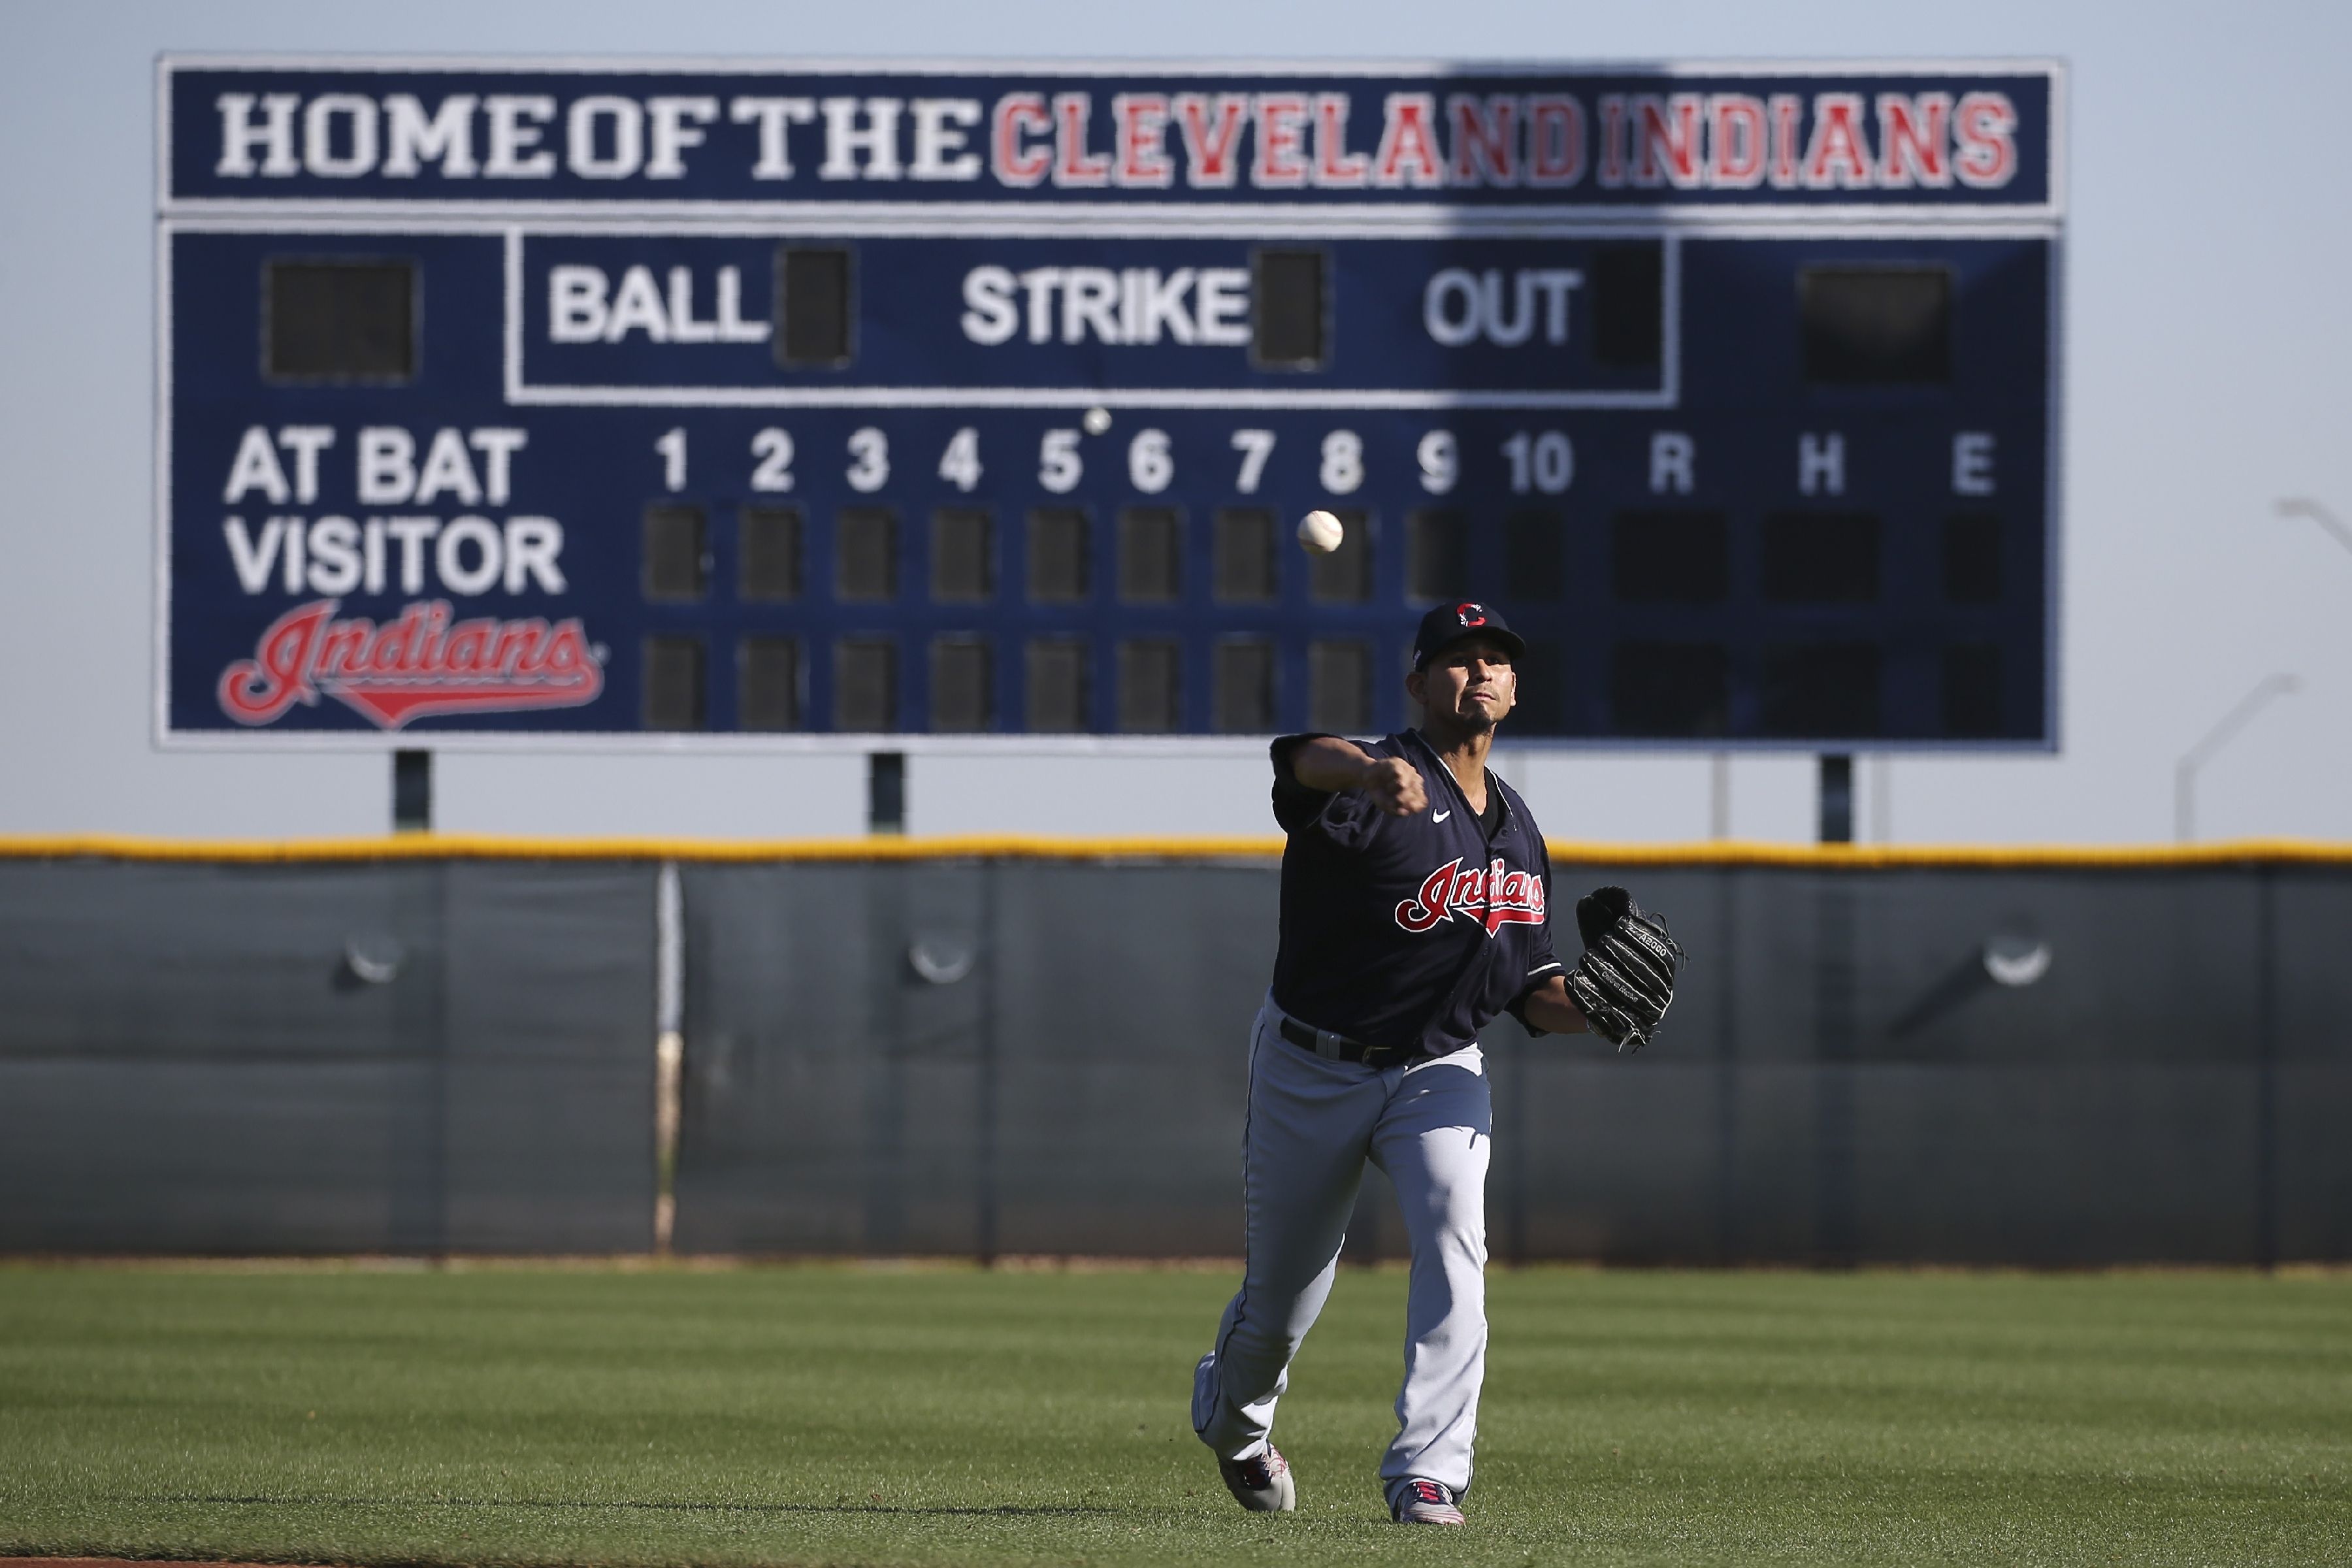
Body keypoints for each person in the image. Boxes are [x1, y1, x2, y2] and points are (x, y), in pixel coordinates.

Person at [1190, 600, 1682, 1527]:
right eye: (1457, 659)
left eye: (1495, 658)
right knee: (1279, 1309)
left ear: (1515, 687)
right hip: (1314, 1065)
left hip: (1439, 1067)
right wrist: (1367, 771)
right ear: (1419, 685)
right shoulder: (1370, 783)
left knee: (1457, 1240)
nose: (1480, 671)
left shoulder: (1520, 833)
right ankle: (1236, 1420)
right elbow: (1296, 760)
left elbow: (1528, 987)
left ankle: (1428, 1472)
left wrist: (1596, 1006)